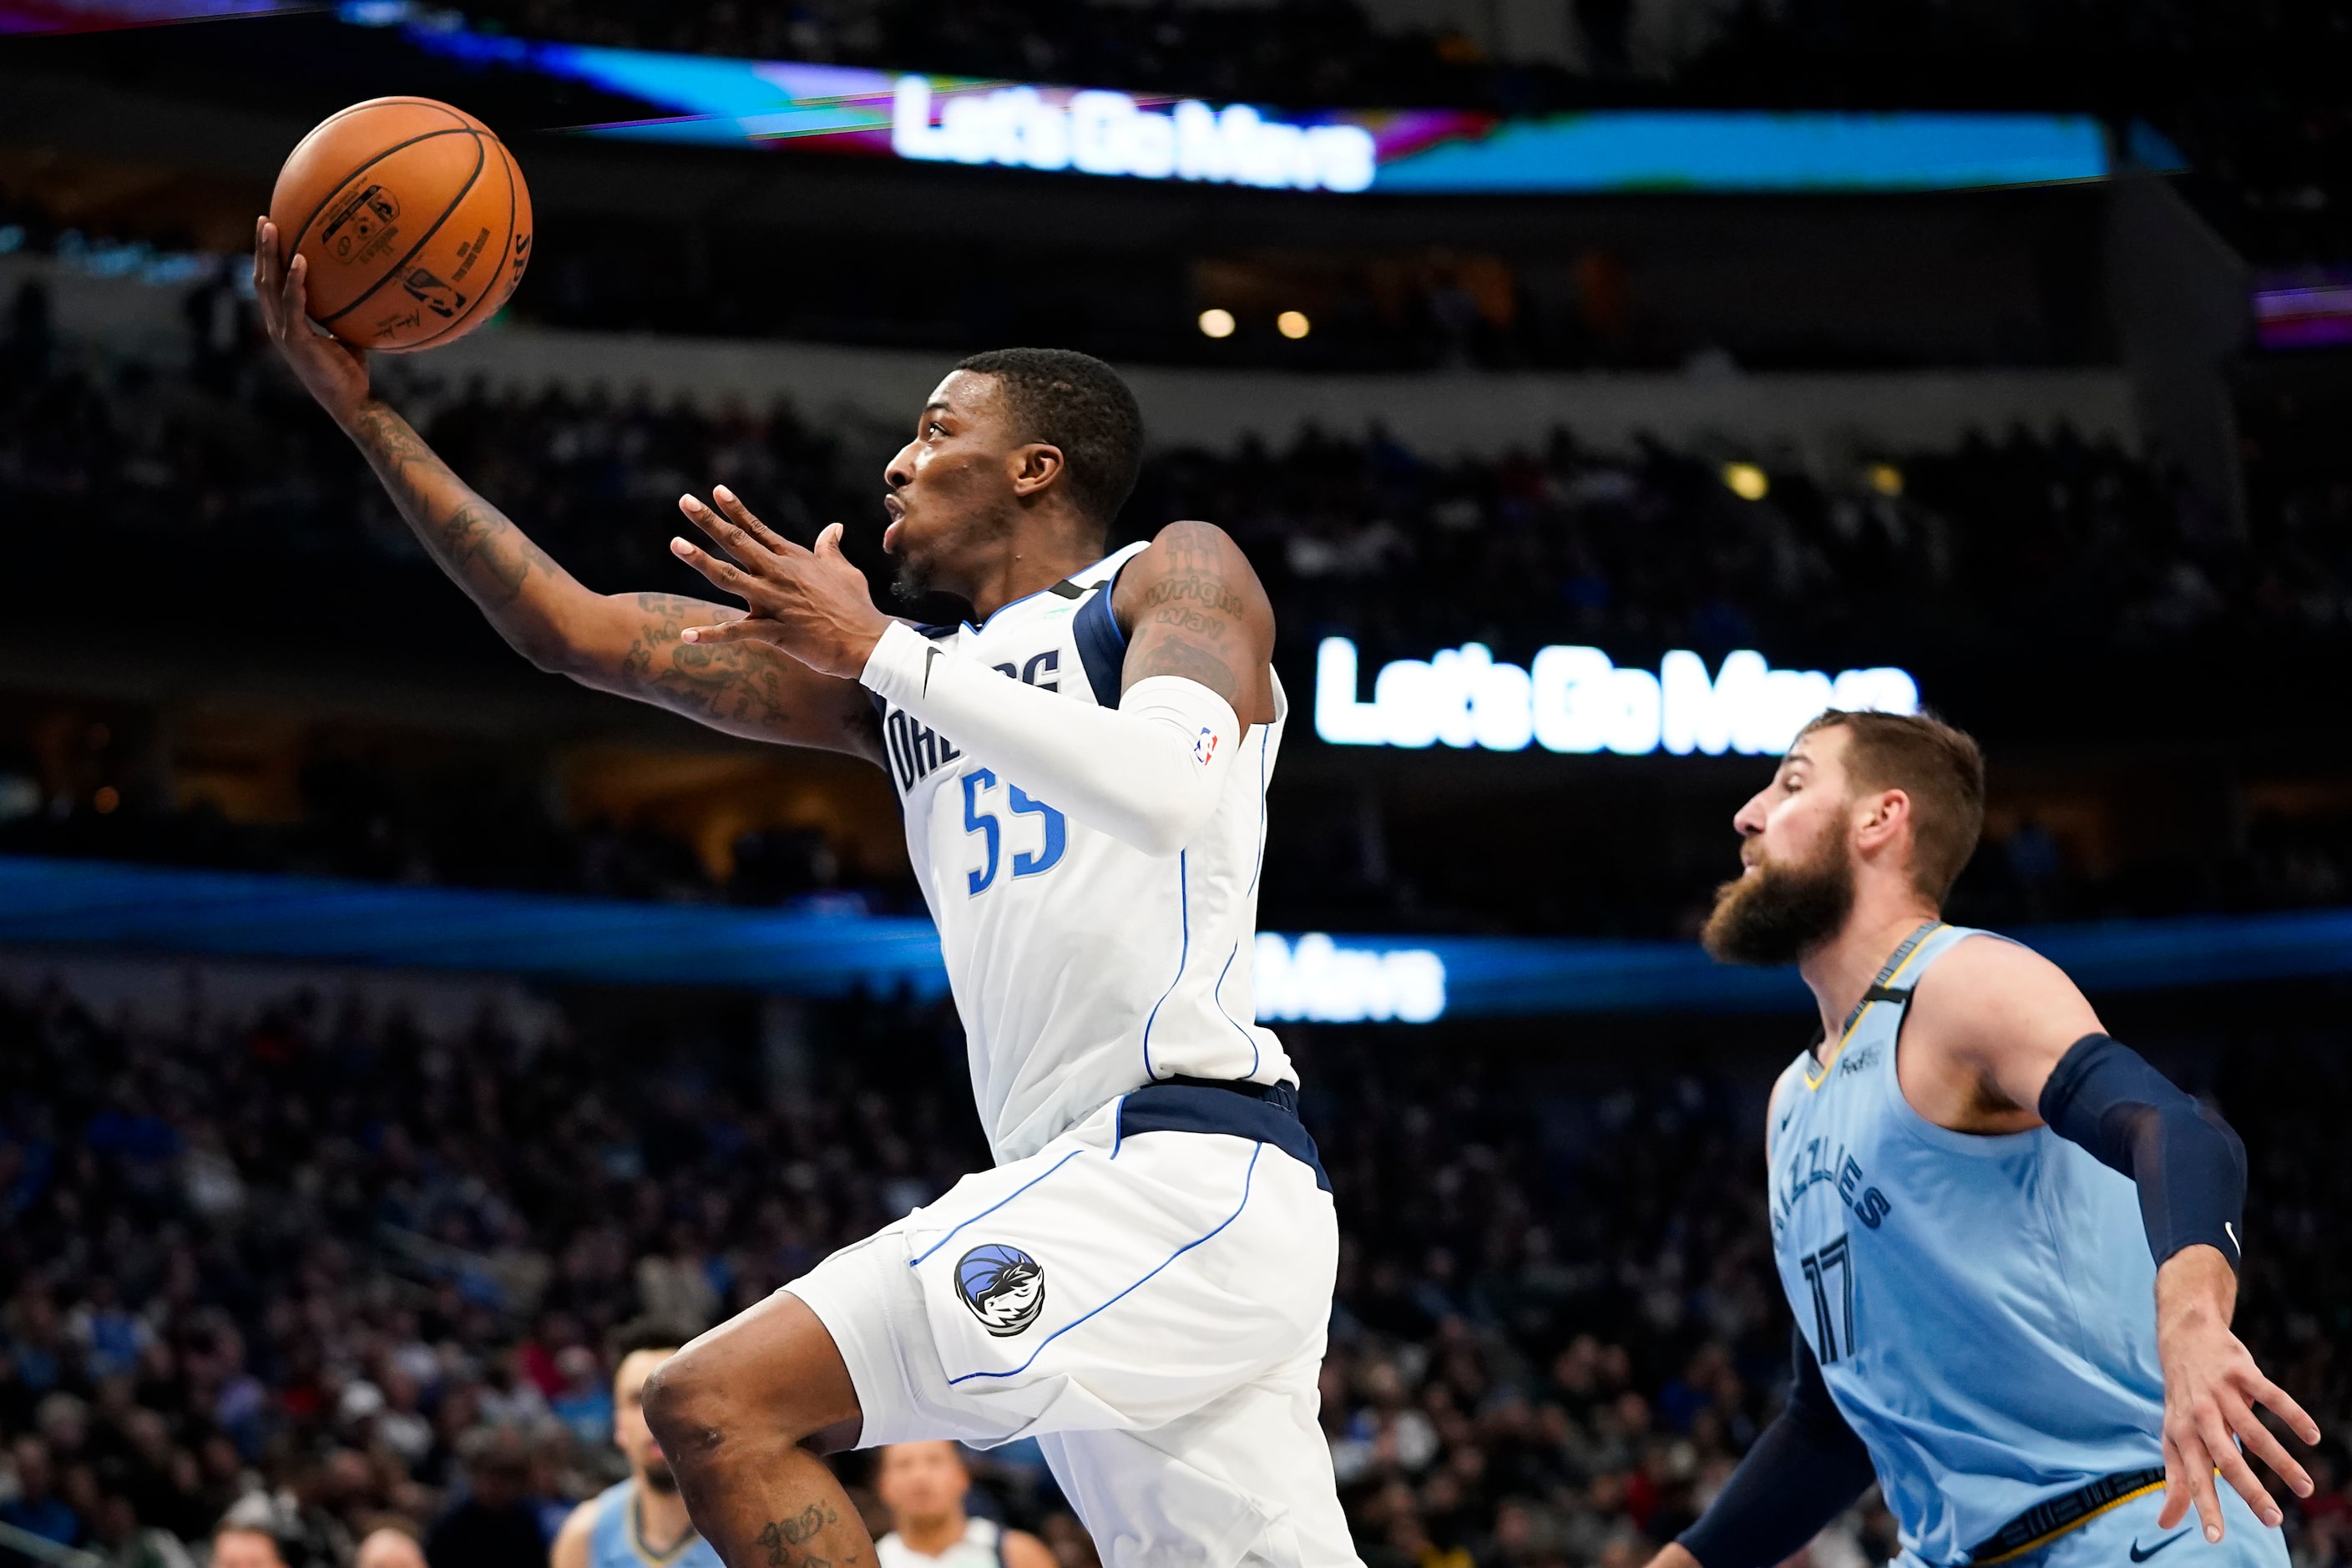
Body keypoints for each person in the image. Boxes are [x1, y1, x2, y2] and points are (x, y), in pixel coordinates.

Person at [255, 225, 1353, 1568]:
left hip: (1184, 1162)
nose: (895, 458)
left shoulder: (1163, 577)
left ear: (1034, 466)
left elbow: (1171, 786)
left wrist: (882, 647)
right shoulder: (894, 687)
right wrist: (368, 418)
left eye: (936, 428)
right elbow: (573, 628)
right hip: (1092, 1194)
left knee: (709, 1404)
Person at [1654, 709, 2319, 1568]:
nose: (1747, 815)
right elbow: (1834, 1424)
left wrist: (2192, 1317)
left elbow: (2178, 1129)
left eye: (1789, 783)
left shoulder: (1959, 985)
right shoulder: (1791, 1103)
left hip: (2141, 1522)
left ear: (1879, 818)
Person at [550, 1328, 721, 1568]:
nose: (657, 1419)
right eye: (638, 1401)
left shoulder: (754, 1527)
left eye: (674, 1398)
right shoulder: (583, 1536)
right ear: (619, 1425)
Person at [871, 1443, 1053, 1568]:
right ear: (882, 1485)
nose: (920, 1476)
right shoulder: (868, 1560)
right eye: (903, 1465)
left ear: (962, 1476)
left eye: (934, 1461)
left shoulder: (1017, 1553)